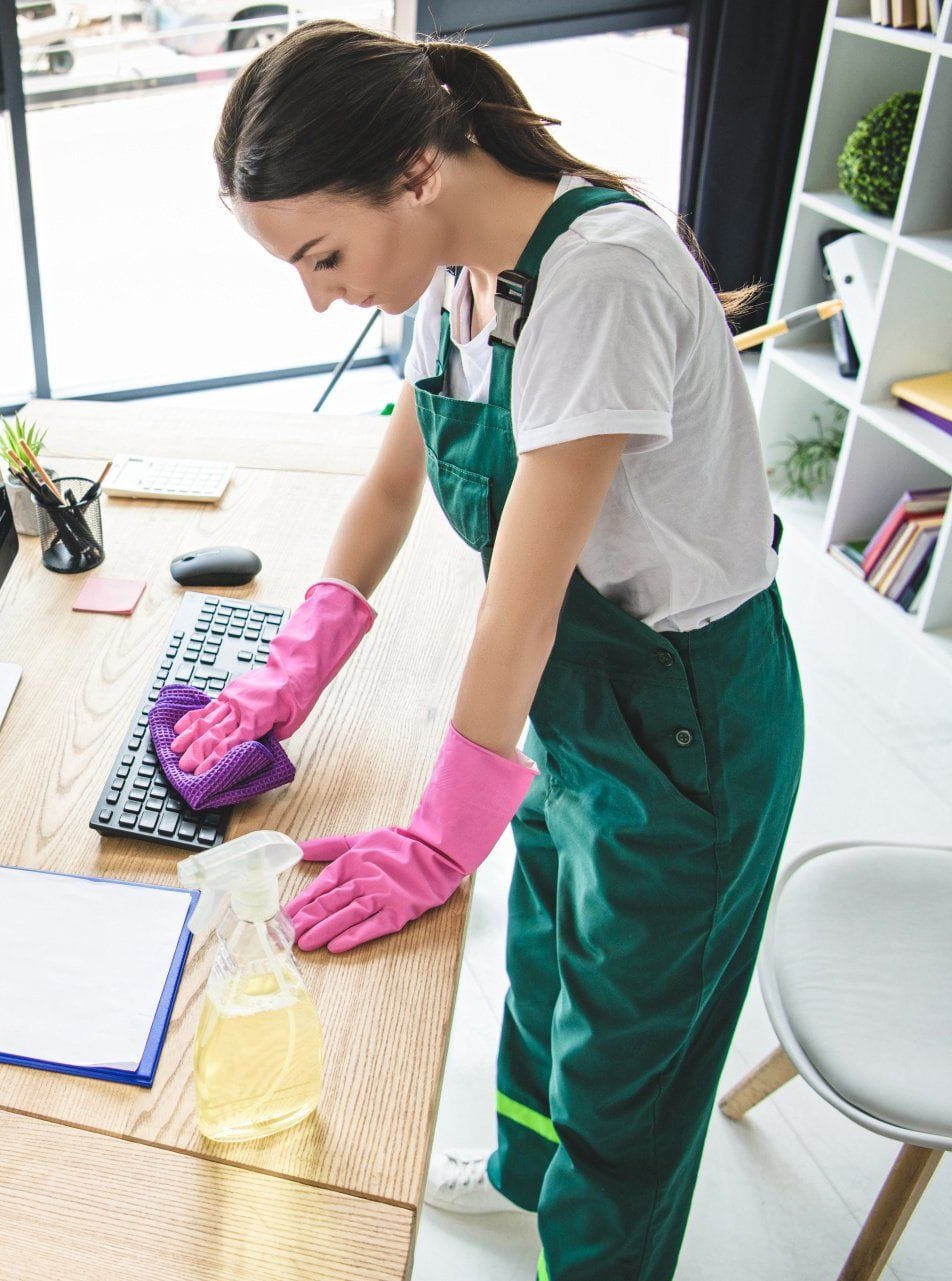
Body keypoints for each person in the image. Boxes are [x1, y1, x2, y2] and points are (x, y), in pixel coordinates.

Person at [171, 19, 804, 1281]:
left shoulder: (600, 278)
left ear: (415, 172)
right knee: (541, 970)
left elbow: (520, 599)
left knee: (630, 1068)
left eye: (324, 254)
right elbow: (394, 489)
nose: (319, 294)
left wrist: (441, 829)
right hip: (578, 704)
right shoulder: (452, 275)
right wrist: (289, 665)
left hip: (689, 723)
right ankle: (523, 1178)